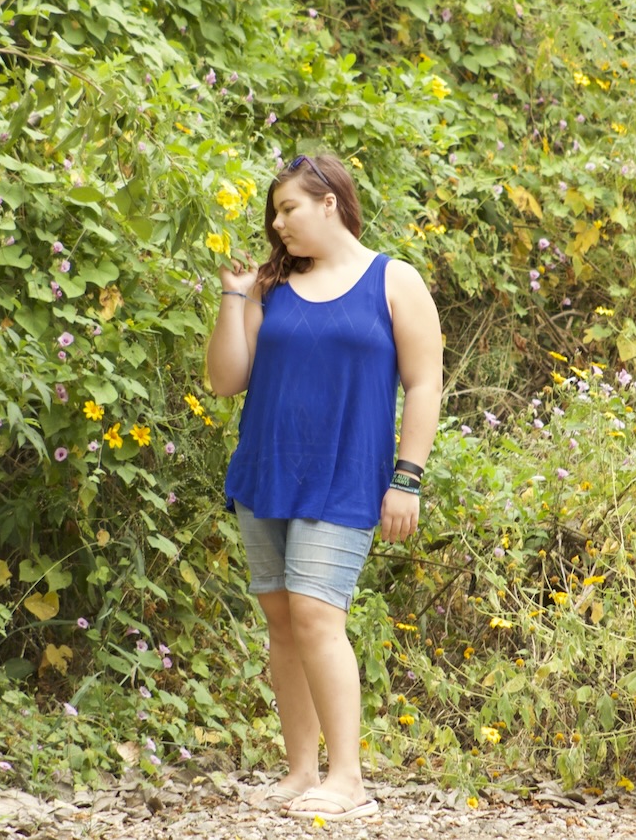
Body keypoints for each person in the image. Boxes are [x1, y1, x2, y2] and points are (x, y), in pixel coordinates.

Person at [206, 153, 443, 821]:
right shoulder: (270, 287)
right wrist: (233, 294)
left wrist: (408, 479)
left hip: (345, 477)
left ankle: (349, 781)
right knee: (282, 623)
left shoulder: (393, 281)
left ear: (330, 201)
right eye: (273, 213)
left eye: (289, 209)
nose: (277, 224)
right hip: (266, 472)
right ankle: (301, 770)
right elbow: (226, 381)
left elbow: (425, 384)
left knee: (317, 616)